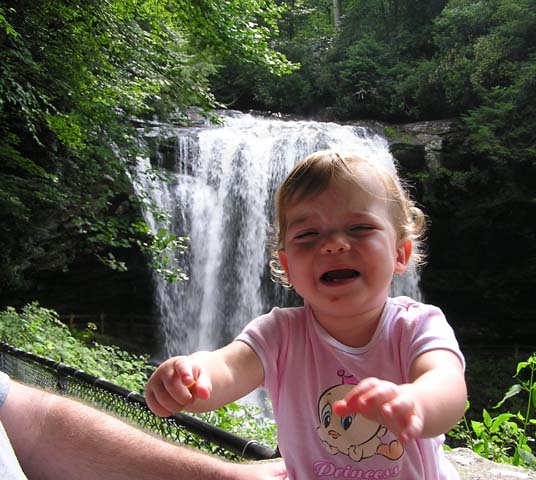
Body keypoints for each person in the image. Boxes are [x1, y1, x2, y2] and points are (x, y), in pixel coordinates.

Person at [145, 150, 467, 479]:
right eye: (307, 235)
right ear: (287, 266)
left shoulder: (417, 325)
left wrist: (415, 401)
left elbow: (447, 385)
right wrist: (192, 376)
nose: (333, 244)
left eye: (360, 228)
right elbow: (227, 368)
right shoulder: (279, 334)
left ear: (400, 254)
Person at [0, 371, 286, 480]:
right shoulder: (281, 329)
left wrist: (224, 477)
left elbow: (40, 426)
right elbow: (233, 362)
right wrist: (200, 369)